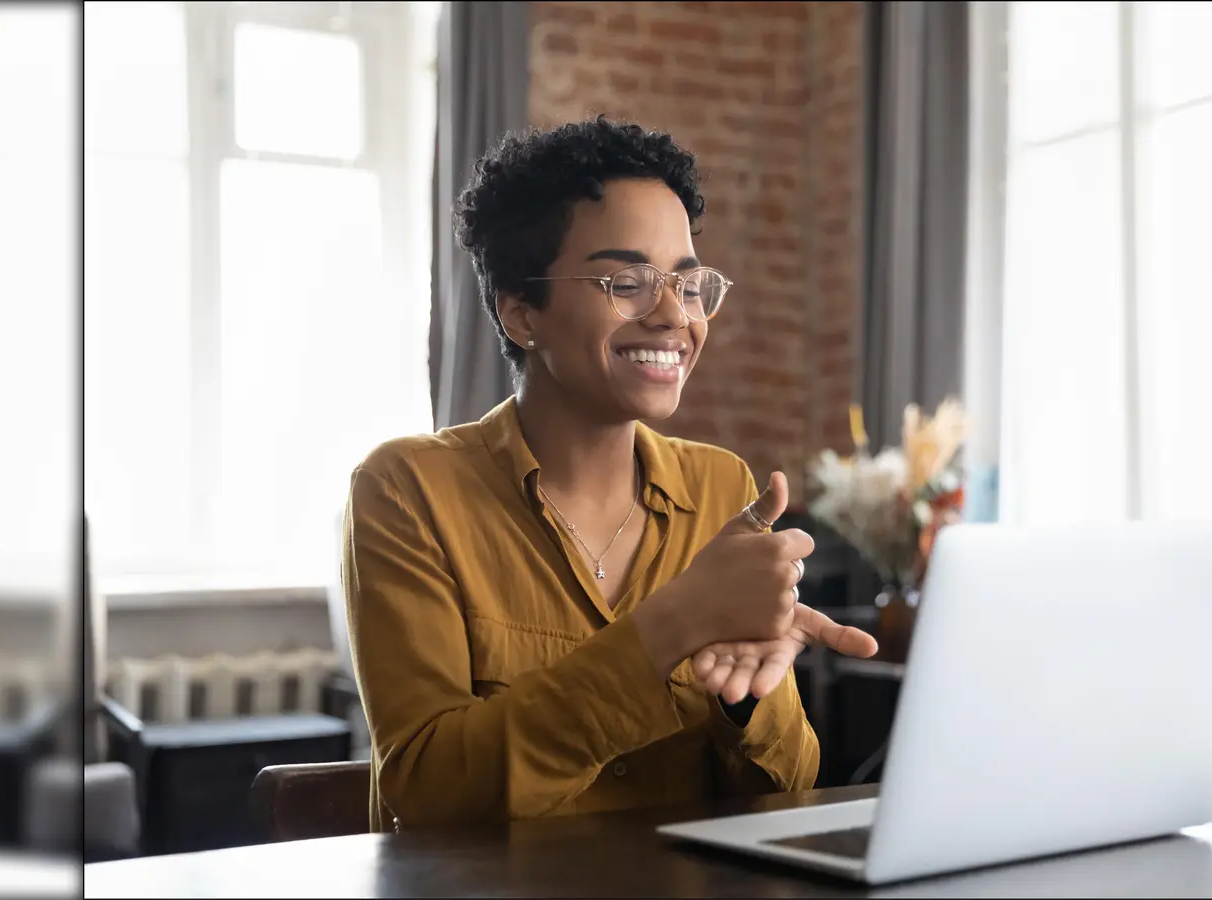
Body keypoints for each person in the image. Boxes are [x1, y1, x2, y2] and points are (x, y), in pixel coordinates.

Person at [343, 117, 879, 833]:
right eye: (627, 282)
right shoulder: (408, 491)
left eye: (690, 288)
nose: (672, 317)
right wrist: (669, 627)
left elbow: (789, 785)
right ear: (520, 310)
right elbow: (429, 790)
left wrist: (750, 698)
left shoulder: (724, 491)